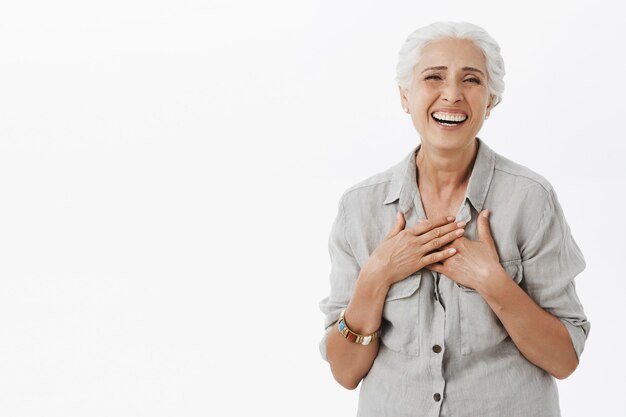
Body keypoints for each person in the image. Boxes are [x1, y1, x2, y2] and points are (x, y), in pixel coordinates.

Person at [318, 21, 590, 417]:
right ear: (405, 96)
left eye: (471, 80)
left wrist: (492, 282)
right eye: (433, 77)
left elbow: (564, 360)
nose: (451, 94)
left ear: (491, 99)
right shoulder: (360, 207)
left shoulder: (531, 200)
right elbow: (345, 372)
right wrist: (375, 276)